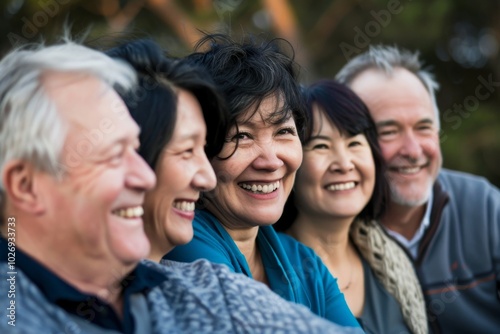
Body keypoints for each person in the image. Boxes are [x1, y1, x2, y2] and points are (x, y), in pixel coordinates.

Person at [0, 39, 363, 334]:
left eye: (284, 131)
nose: (144, 176)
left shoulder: (190, 285)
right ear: (25, 186)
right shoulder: (15, 313)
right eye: (115, 154)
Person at [165, 33, 360, 328]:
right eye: (242, 135)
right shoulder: (183, 244)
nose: (270, 161)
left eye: (283, 131)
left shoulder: (305, 265)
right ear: (199, 148)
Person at [336, 45, 500, 333]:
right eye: (388, 131)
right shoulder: (332, 234)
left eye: (424, 127)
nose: (412, 150)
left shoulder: (484, 206)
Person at [274, 79, 427, 334]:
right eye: (321, 146)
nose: (344, 164)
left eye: (354, 143)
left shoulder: (391, 261)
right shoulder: (271, 268)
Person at [106, 40, 226, 261]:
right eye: (187, 150)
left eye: (204, 148)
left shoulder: (206, 282)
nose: (208, 180)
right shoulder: (27, 291)